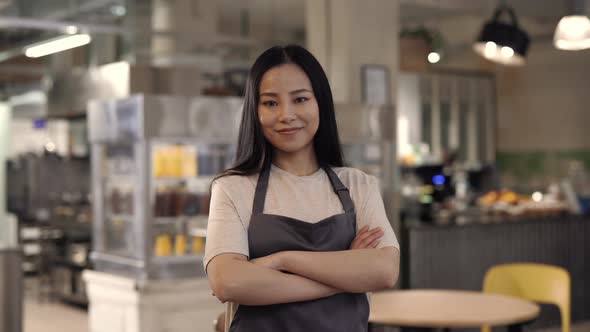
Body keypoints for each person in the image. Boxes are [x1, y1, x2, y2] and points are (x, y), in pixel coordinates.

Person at [204, 44, 400, 332]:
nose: (286, 114)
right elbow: (228, 282)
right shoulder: (233, 188)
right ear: (254, 111)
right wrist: (344, 275)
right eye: (271, 103)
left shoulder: (359, 185)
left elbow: (384, 271)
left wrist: (283, 259)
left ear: (319, 102)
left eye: (300, 99)